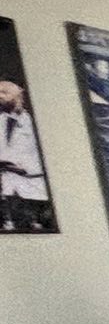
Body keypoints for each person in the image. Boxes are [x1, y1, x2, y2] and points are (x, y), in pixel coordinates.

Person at [1, 79, 51, 232]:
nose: (0, 96)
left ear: (19, 94)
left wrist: (24, 167)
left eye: (4, 92)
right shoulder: (1, 120)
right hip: (9, 188)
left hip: (35, 187)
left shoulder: (36, 121)